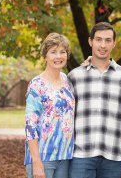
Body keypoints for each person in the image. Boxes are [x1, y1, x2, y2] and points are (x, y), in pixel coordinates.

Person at [68, 22, 121, 178]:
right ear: (90, 41)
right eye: (98, 39)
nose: (103, 45)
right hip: (81, 153)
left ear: (114, 43)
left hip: (113, 153)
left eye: (107, 40)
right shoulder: (75, 76)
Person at [24, 33, 75, 178]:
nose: (58, 56)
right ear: (45, 55)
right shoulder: (36, 85)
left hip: (65, 156)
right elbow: (30, 126)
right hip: (43, 156)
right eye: (53, 52)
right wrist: (36, 161)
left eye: (62, 52)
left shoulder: (68, 81)